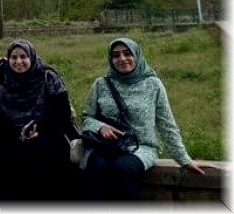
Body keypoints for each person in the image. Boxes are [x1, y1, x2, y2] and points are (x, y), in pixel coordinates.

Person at [80, 38, 207, 200]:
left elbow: (167, 125)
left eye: (127, 54)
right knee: (97, 167)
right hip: (106, 146)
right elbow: (87, 117)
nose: (122, 59)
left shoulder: (153, 85)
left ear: (137, 55)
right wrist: (100, 127)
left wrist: (184, 160)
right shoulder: (101, 84)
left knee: (122, 168)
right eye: (116, 55)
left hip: (141, 147)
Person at [0, 39, 74, 203]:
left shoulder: (47, 77)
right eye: (14, 57)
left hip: (47, 133)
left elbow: (62, 115)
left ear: (32, 57)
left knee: (36, 154)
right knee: (0, 152)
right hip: (11, 134)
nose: (18, 62)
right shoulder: (3, 78)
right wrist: (16, 134)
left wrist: (39, 132)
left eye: (23, 57)